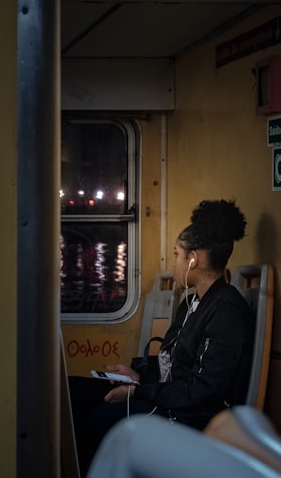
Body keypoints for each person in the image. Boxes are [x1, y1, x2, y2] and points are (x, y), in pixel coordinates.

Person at [69, 199, 254, 469]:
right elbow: (176, 365)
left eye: (177, 254)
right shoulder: (191, 303)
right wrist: (138, 375)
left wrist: (138, 392)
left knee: (90, 421)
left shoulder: (225, 311)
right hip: (170, 396)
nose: (174, 262)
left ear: (194, 259)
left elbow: (202, 391)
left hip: (188, 415)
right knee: (70, 390)